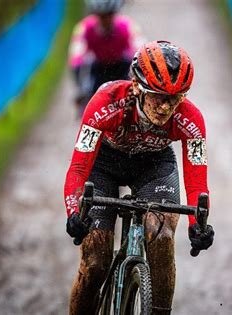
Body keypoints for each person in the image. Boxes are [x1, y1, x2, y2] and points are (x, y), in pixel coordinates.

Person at [64, 40, 215, 314]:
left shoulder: (191, 119)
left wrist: (198, 223)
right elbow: (77, 169)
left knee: (162, 237)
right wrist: (74, 211)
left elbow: (196, 182)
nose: (165, 108)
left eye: (176, 98)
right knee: (95, 263)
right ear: (137, 87)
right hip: (104, 165)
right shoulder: (106, 102)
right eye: (158, 96)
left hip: (153, 165)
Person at [68, 0, 143, 116]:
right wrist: (80, 88)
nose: (105, 20)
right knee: (89, 104)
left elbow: (140, 52)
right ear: (95, 14)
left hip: (122, 66)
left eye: (109, 15)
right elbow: (76, 59)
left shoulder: (127, 26)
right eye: (101, 16)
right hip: (98, 68)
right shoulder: (84, 28)